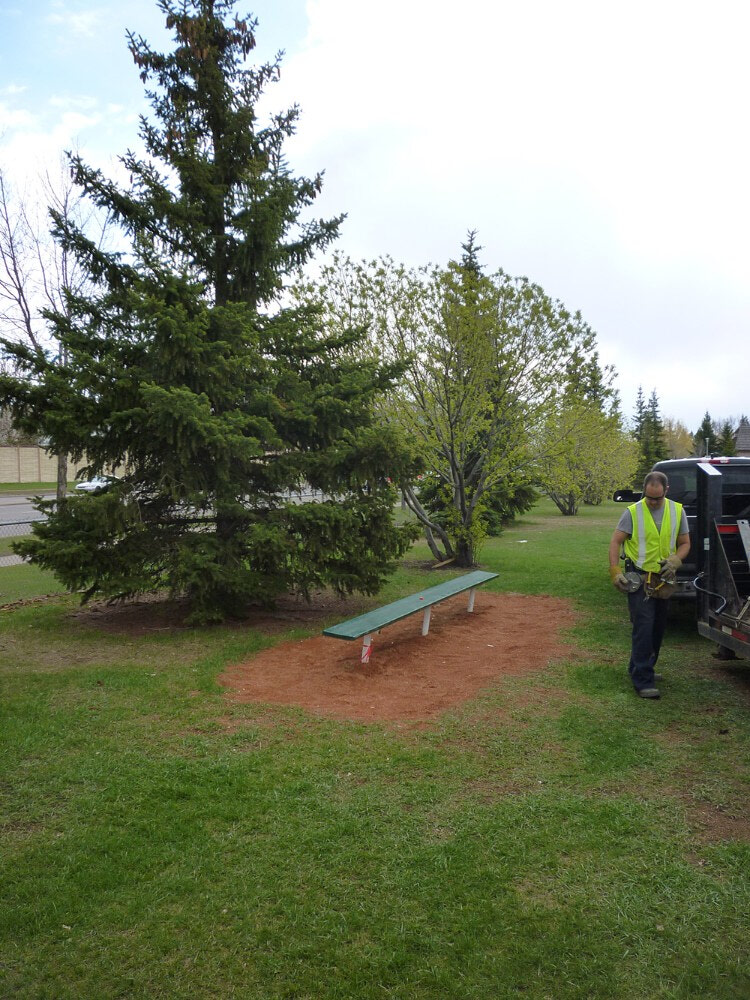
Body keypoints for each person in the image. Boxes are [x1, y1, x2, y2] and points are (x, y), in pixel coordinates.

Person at [608, 471, 691, 699]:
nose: (653, 502)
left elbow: (685, 543)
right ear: (644, 491)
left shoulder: (677, 511)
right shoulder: (633, 512)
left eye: (658, 498)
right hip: (639, 579)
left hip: (663, 580)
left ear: (666, 490)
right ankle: (643, 680)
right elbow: (616, 541)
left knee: (657, 628)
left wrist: (676, 560)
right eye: (649, 497)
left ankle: (640, 666)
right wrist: (615, 571)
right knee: (644, 627)